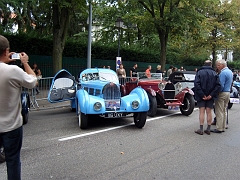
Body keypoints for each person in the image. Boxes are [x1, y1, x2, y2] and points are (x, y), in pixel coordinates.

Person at [0, 35, 37, 180]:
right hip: (11, 126)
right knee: (13, 162)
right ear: (7, 50)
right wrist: (25, 63)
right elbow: (33, 81)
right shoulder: (13, 71)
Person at [194, 60, 221, 135]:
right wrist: (211, 95)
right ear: (211, 65)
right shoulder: (214, 73)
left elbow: (197, 84)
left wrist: (202, 94)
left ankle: (201, 129)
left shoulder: (199, 72)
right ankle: (208, 128)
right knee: (209, 111)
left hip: (201, 95)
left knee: (201, 112)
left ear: (204, 64)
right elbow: (218, 85)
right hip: (210, 95)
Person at [211, 59, 233, 133]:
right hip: (227, 92)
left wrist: (216, 92)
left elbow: (220, 85)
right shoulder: (230, 72)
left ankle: (219, 128)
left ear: (222, 65)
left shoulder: (223, 73)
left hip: (222, 93)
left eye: (218, 65)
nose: (217, 67)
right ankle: (223, 126)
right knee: (224, 110)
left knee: (219, 111)